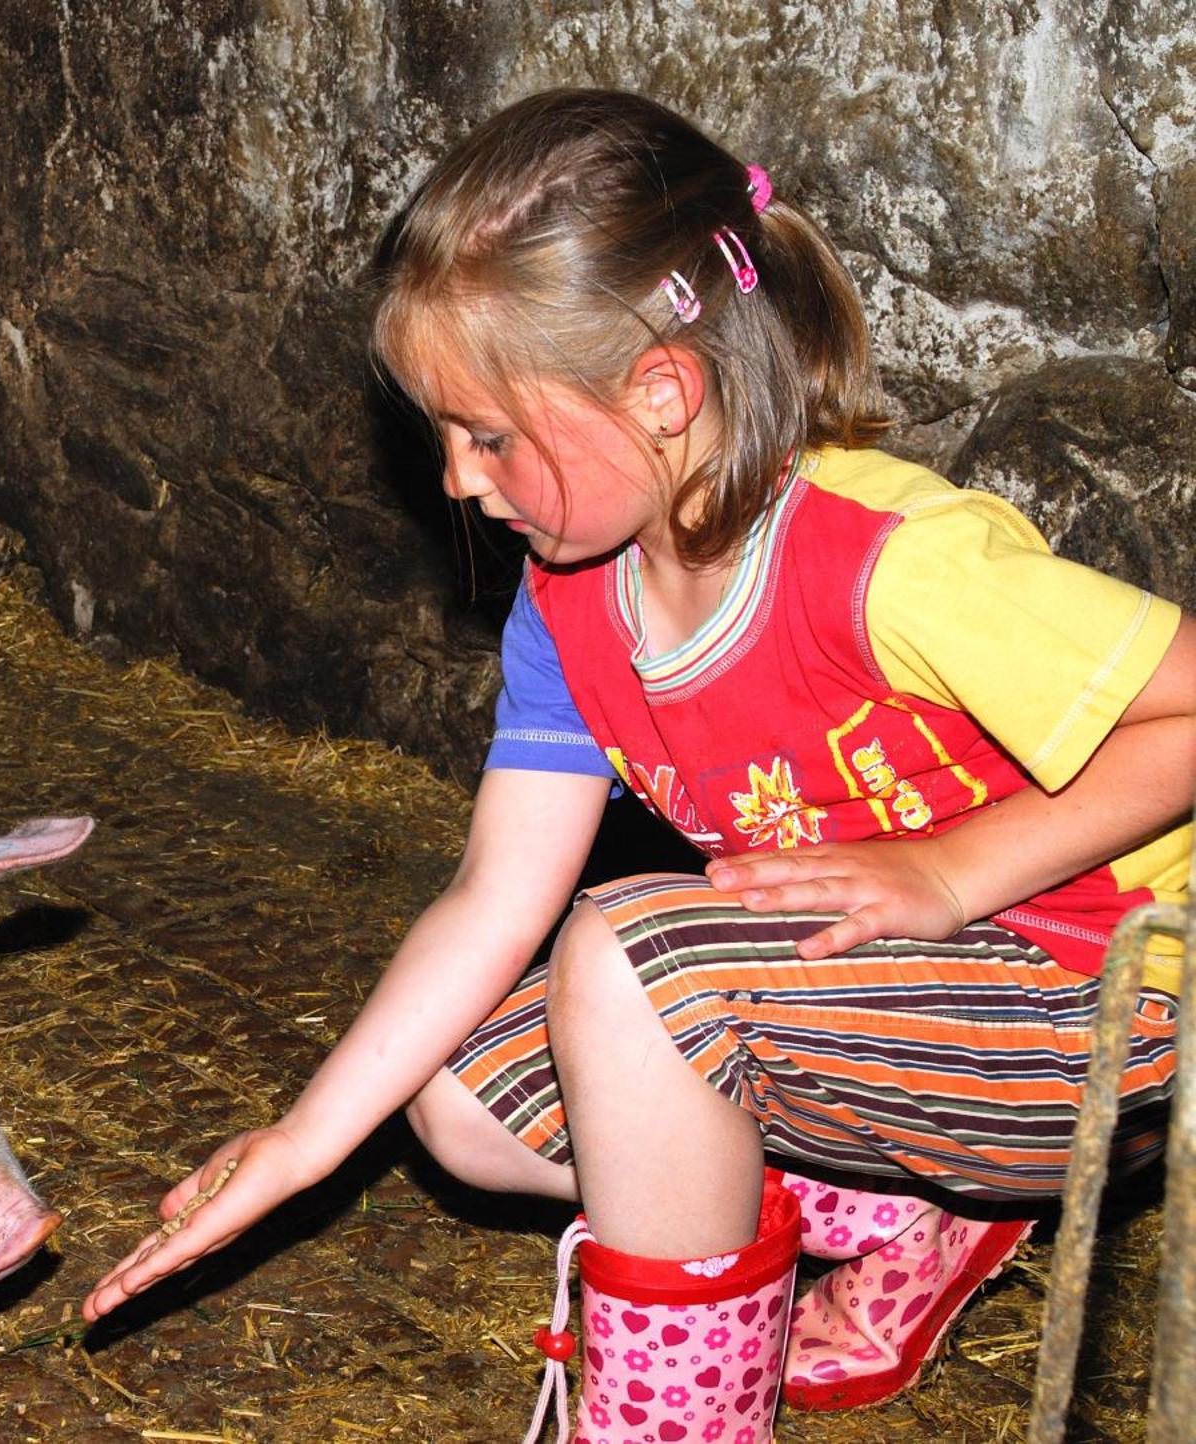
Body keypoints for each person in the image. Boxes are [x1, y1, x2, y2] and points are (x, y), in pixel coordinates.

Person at [81, 88, 1194, 1442]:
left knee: (629, 964)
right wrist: (304, 1145)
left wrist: (953, 868)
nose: (453, 477)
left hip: (1105, 1013)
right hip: (886, 1006)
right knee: (457, 1095)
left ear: (662, 393)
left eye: (488, 432)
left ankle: (674, 1426)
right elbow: (495, 897)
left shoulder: (887, 561)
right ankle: (911, 1217)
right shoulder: (569, 603)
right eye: (443, 431)